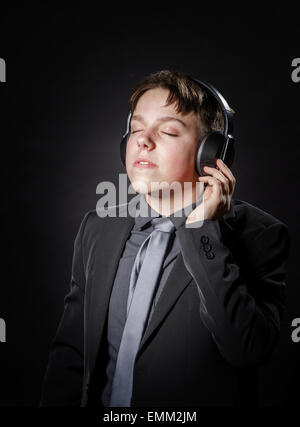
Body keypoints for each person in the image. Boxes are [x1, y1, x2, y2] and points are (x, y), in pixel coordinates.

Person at [40, 70, 290, 407]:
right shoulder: (98, 227)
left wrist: (203, 231)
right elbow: (71, 352)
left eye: (168, 130)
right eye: (136, 129)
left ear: (211, 152)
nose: (143, 141)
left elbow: (246, 349)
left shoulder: (262, 235)